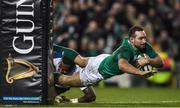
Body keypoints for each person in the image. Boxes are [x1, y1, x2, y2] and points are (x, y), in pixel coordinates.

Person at [53, 25, 163, 87]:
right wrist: (140, 72)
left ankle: (52, 47)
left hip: (104, 59)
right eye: (141, 38)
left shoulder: (143, 45)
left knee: (81, 61)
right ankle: (43, 77)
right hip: (98, 71)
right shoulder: (126, 49)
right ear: (132, 40)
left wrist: (149, 60)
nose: (144, 41)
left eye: (144, 38)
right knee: (65, 81)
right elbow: (122, 65)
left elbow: (160, 62)